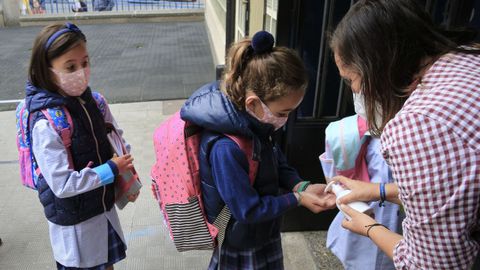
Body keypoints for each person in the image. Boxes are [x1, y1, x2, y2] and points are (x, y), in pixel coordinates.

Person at [328, 0, 480, 269]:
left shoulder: (418, 125)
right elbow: (457, 189)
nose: (353, 92)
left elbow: (433, 265)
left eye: (350, 80)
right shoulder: (468, 56)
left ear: (377, 68)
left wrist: (370, 227)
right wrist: (380, 191)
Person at [180, 31, 336, 270]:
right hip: (240, 243)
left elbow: (276, 161)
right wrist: (297, 199)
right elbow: (247, 209)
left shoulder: (256, 124)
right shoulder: (226, 148)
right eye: (283, 112)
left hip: (263, 231)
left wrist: (300, 185)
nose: (285, 119)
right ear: (253, 103)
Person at [26, 22, 138, 269]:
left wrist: (128, 176)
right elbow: (62, 184)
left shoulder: (95, 102)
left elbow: (118, 143)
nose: (81, 72)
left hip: (102, 211)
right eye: (70, 67)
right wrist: (110, 170)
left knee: (106, 263)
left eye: (85, 62)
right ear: (46, 70)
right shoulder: (46, 123)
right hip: (75, 224)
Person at [320, 94, 404, 270]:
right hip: (362, 220)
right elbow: (335, 178)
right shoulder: (347, 132)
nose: (354, 91)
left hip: (400, 230)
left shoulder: (412, 135)